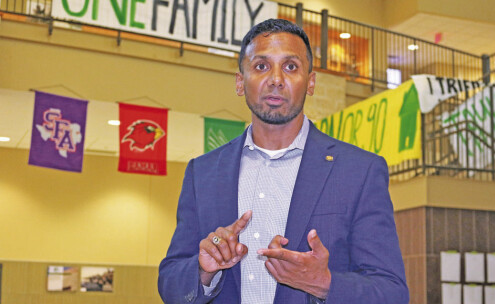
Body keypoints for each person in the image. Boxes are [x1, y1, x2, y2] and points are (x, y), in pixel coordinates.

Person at [158, 19, 409, 304]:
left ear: (310, 82)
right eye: (261, 66)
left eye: (290, 66)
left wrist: (325, 284)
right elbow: (171, 283)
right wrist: (204, 270)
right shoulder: (202, 172)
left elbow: (391, 292)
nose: (276, 79)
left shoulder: (359, 171)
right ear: (240, 82)